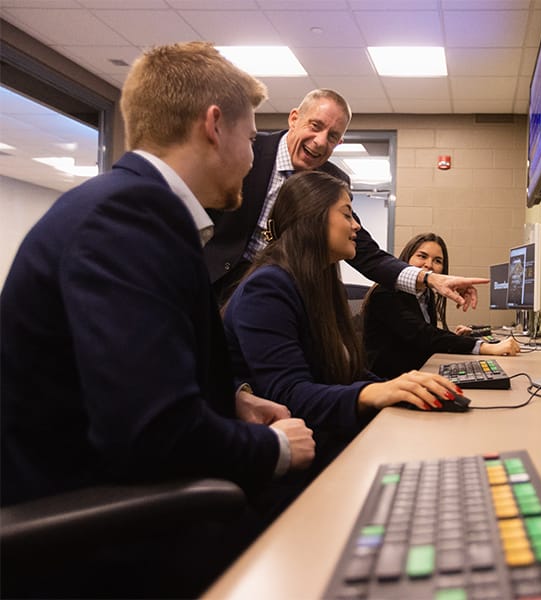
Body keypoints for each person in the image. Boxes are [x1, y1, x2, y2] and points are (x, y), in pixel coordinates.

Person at [0, 42, 315, 595]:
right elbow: (154, 434)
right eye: (250, 138)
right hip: (94, 531)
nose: (251, 157)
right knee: (326, 521)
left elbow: (124, 383)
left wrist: (228, 400)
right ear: (213, 126)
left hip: (102, 492)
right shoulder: (131, 217)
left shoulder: (124, 206)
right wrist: (277, 447)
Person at [222, 172, 464, 467]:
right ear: (313, 218)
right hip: (290, 453)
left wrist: (400, 388)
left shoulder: (320, 284)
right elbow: (289, 394)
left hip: (323, 434)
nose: (356, 226)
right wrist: (378, 392)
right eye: (348, 214)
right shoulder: (268, 288)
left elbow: (348, 372)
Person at [203, 87, 487, 309]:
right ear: (294, 119)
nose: (320, 142)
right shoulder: (247, 149)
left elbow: (366, 253)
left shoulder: (333, 181)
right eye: (315, 126)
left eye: (333, 136)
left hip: (281, 296)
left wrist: (430, 278)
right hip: (211, 287)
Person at [363, 233, 521, 379]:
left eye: (437, 261)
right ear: (406, 259)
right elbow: (423, 335)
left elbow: (423, 339)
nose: (429, 265)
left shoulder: (426, 294)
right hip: (388, 381)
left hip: (414, 373)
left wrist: (457, 340)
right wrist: (486, 348)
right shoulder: (385, 292)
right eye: (422, 256)